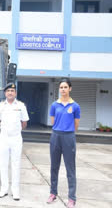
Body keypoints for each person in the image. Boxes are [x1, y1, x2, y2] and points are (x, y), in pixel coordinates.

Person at [47, 78, 80, 208]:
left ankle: (72, 198)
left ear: (70, 89)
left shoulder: (75, 106)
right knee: (54, 167)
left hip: (68, 137)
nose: (63, 89)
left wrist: (67, 130)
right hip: (55, 136)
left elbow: (76, 125)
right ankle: (53, 193)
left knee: (70, 169)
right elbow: (53, 121)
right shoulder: (55, 105)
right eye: (61, 87)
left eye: (65, 87)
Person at [0, 82, 29, 201]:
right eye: (8, 91)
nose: (10, 93)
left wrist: (16, 130)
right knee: (3, 164)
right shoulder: (0, 106)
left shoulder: (21, 106)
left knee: (16, 164)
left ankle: (15, 191)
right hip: (4, 138)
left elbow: (24, 122)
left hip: (16, 138)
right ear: (5, 93)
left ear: (15, 93)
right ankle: (4, 189)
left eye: (12, 91)